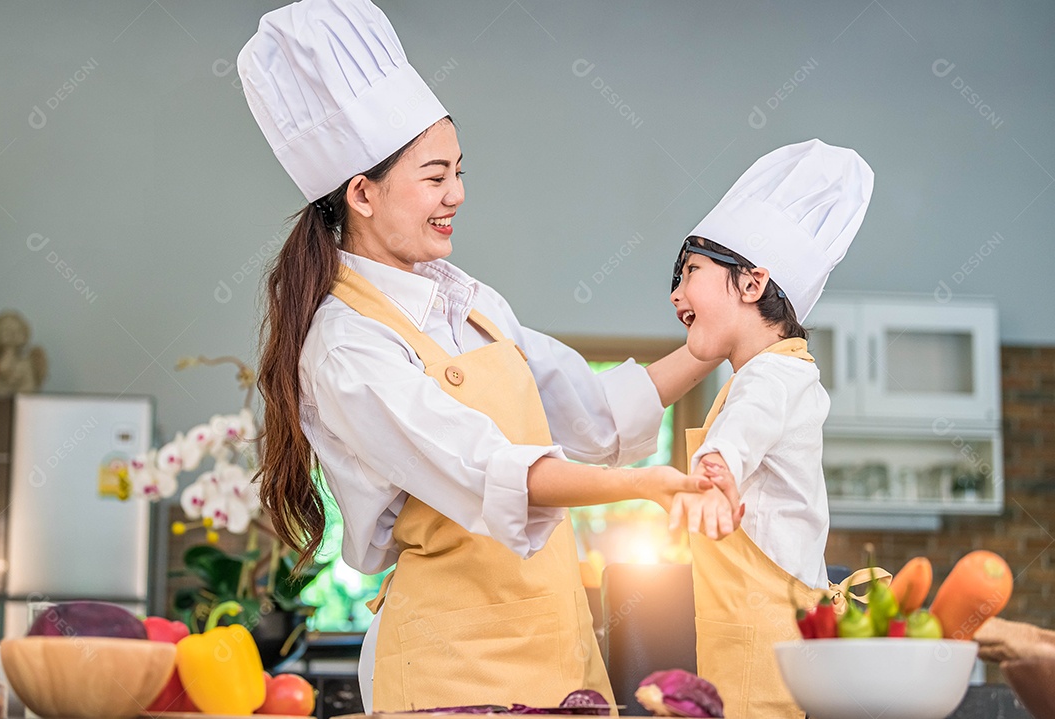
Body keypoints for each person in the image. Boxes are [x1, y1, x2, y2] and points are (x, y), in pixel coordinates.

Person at [236, 0, 716, 712]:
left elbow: (594, 414)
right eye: (435, 177)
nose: (456, 195)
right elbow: (493, 470)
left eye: (459, 170)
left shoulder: (472, 301)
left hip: (556, 649)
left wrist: (711, 345)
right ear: (362, 193)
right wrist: (646, 488)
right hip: (450, 668)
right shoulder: (346, 344)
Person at [667, 139, 874, 719]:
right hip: (754, 637)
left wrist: (718, 466)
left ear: (752, 284)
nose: (676, 294)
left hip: (765, 642)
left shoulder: (772, 378)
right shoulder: (774, 373)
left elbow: (743, 433)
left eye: (691, 272)